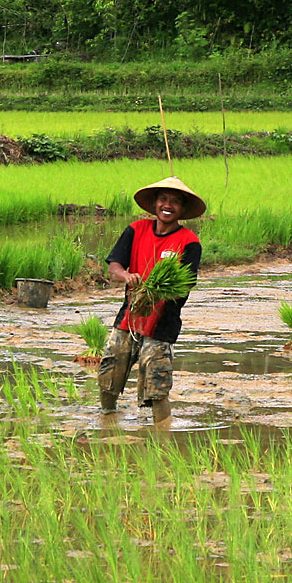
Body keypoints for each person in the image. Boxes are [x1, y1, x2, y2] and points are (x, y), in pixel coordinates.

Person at [98, 175, 205, 426]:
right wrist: (127, 276)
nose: (167, 205)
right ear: (155, 203)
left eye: (175, 202)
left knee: (156, 383)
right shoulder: (136, 229)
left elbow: (186, 284)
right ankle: (106, 419)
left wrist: (156, 292)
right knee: (110, 371)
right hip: (129, 316)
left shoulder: (189, 241)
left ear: (182, 209)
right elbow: (114, 266)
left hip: (163, 322)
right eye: (163, 199)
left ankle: (161, 430)